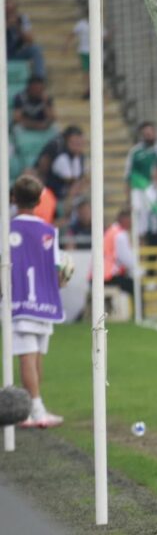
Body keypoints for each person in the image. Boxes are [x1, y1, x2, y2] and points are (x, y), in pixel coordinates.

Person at [9, 175, 66, 428]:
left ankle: (34, 409)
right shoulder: (49, 231)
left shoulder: (7, 229)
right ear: (39, 200)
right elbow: (58, 273)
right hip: (46, 301)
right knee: (35, 357)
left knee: (29, 357)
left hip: (20, 300)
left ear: (13, 198)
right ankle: (35, 409)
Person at [125, 121, 157, 238]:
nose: (149, 135)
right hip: (142, 193)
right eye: (146, 134)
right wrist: (129, 200)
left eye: (150, 132)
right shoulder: (135, 152)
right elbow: (129, 177)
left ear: (155, 132)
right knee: (142, 227)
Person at [103, 208, 137, 299]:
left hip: (100, 275)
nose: (131, 223)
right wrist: (137, 267)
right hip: (108, 276)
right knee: (136, 287)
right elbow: (125, 258)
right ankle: (138, 308)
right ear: (124, 219)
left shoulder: (111, 230)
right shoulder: (120, 234)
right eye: (130, 219)